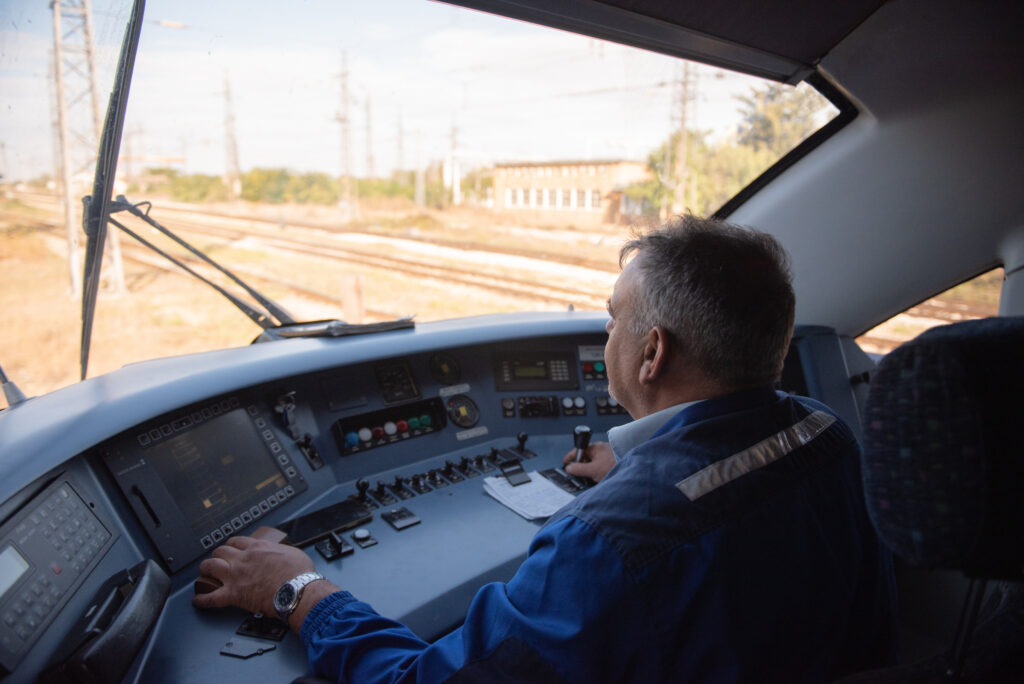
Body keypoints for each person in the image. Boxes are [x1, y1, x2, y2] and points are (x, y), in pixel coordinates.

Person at [193, 215, 896, 683]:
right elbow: (737, 485)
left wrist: (296, 589)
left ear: (651, 353)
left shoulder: (608, 540)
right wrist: (647, 472)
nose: (608, 333)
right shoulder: (819, 429)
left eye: (615, 317)